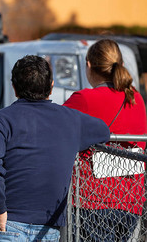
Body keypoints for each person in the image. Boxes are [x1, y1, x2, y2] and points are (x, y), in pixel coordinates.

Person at [0, 55, 110, 242]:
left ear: (14, 88)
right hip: (49, 228)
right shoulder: (72, 120)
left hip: (8, 223)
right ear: (52, 86)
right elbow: (103, 130)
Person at [63, 39, 147, 241]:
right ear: (122, 65)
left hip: (93, 200)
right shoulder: (136, 99)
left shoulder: (84, 99)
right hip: (130, 200)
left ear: (89, 65)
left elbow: (52, 128)